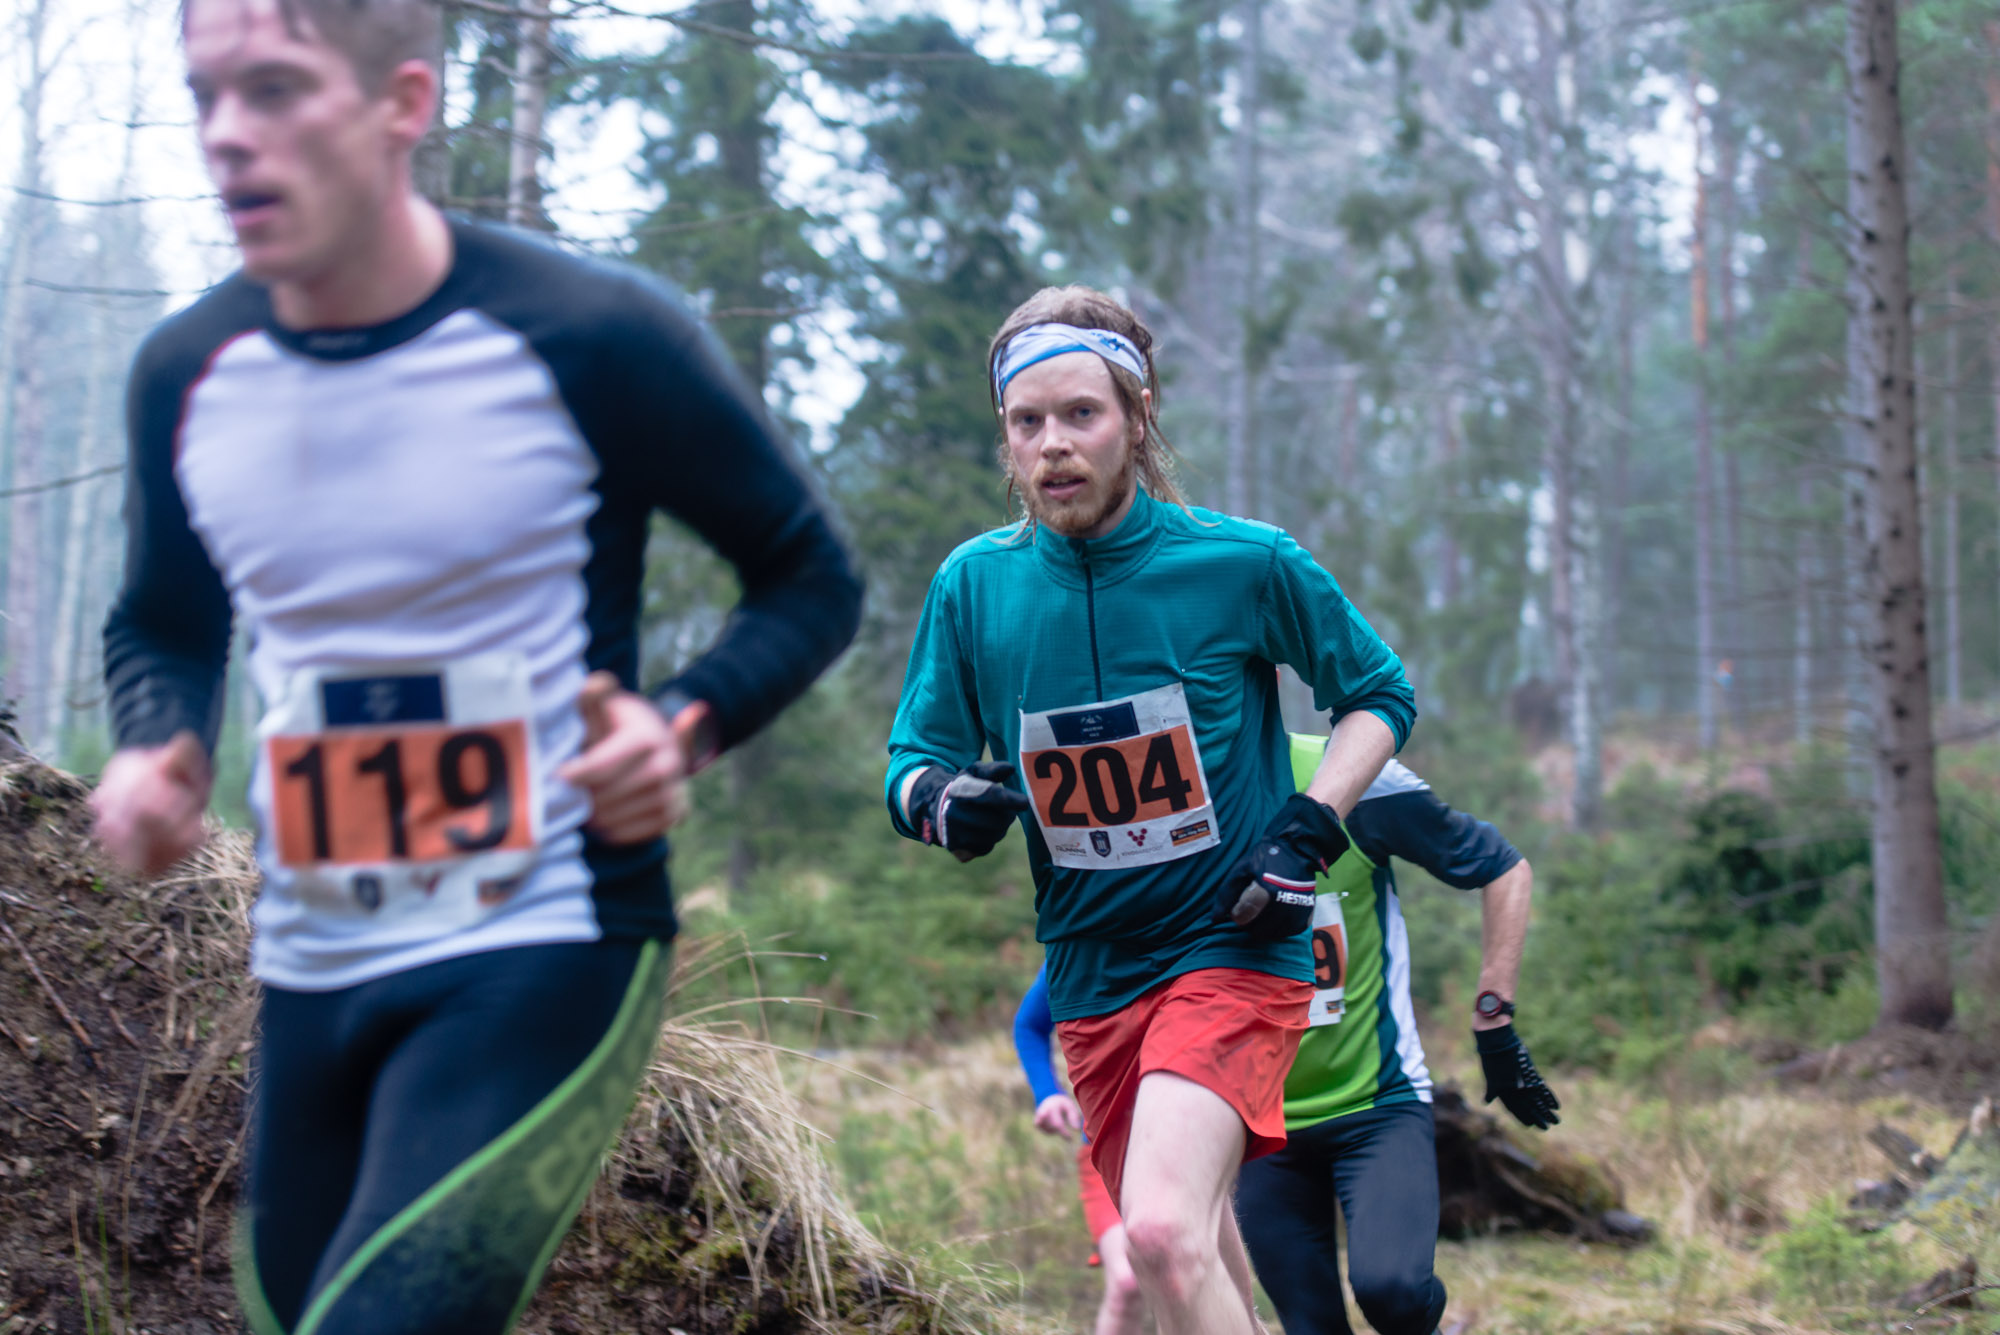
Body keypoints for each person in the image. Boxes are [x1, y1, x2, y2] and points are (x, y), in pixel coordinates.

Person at [87, 0, 863, 1329]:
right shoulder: (188, 372)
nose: (229, 136)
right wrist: (158, 744)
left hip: (549, 936)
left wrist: (680, 724)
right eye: (207, 93)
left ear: (403, 102)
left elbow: (809, 574)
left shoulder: (591, 333)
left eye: (275, 89)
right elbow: (162, 618)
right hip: (320, 956)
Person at [885, 286, 1416, 1335]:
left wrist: (1308, 824)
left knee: (1161, 1237)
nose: (1052, 446)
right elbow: (911, 761)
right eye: (1025, 422)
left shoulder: (1241, 562)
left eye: (1079, 414)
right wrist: (944, 803)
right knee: (1194, 1252)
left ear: (1136, 415)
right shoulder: (973, 587)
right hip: (1087, 973)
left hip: (1231, 946)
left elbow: (1379, 695)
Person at [1233, 734, 1560, 1335]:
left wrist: (1495, 1022)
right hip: (1258, 1127)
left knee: (1395, 1295)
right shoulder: (1183, 810)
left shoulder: (1354, 775)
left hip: (1377, 1103)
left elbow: (1504, 870)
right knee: (1310, 1328)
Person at [1012, 963, 1143, 1335]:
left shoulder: (1187, 927)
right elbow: (1030, 1024)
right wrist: (1047, 1094)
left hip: (1189, 1146)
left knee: (1184, 1275)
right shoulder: (1077, 941)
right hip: (1104, 1151)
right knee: (1128, 1283)